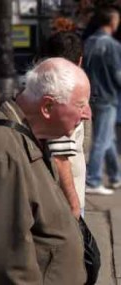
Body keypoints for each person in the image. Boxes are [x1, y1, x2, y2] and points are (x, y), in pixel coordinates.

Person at [0, 58, 91, 284]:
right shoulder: (3, 148)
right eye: (81, 105)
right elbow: (9, 260)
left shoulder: (31, 136)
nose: (87, 114)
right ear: (47, 107)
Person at [38, 31, 88, 218]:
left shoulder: (35, 87)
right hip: (62, 199)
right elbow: (60, 158)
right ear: (80, 61)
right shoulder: (64, 97)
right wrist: (74, 205)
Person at [83, 7, 121, 194]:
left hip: (93, 95)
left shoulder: (89, 42)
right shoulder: (113, 46)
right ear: (113, 22)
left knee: (108, 137)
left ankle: (115, 176)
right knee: (101, 140)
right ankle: (93, 179)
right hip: (108, 96)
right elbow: (118, 74)